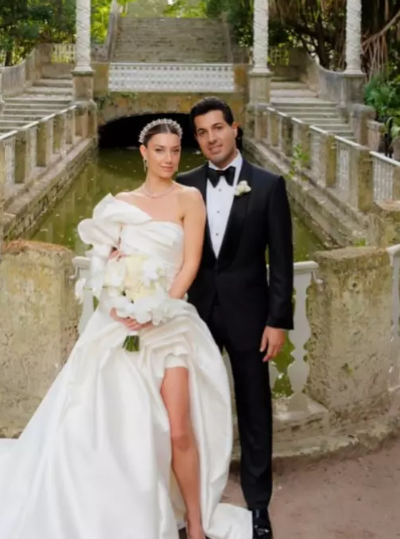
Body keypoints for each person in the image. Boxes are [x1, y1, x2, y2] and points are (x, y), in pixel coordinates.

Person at [0, 118, 251, 539]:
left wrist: (160, 307)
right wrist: (118, 301)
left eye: (175, 151)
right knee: (121, 428)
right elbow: (103, 263)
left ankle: (196, 525)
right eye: (159, 150)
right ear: (144, 153)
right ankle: (122, 513)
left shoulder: (189, 199)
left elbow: (190, 265)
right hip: (120, 324)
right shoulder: (120, 204)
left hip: (170, 324)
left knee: (180, 428)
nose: (168, 159)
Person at [176, 97, 294, 539]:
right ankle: (192, 505)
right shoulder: (185, 185)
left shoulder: (268, 185)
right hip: (195, 316)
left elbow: (281, 261)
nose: (211, 138)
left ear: (234, 128)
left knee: (254, 410)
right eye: (202, 132)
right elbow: (162, 241)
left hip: (251, 318)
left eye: (218, 128)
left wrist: (277, 320)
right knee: (190, 410)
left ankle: (258, 506)